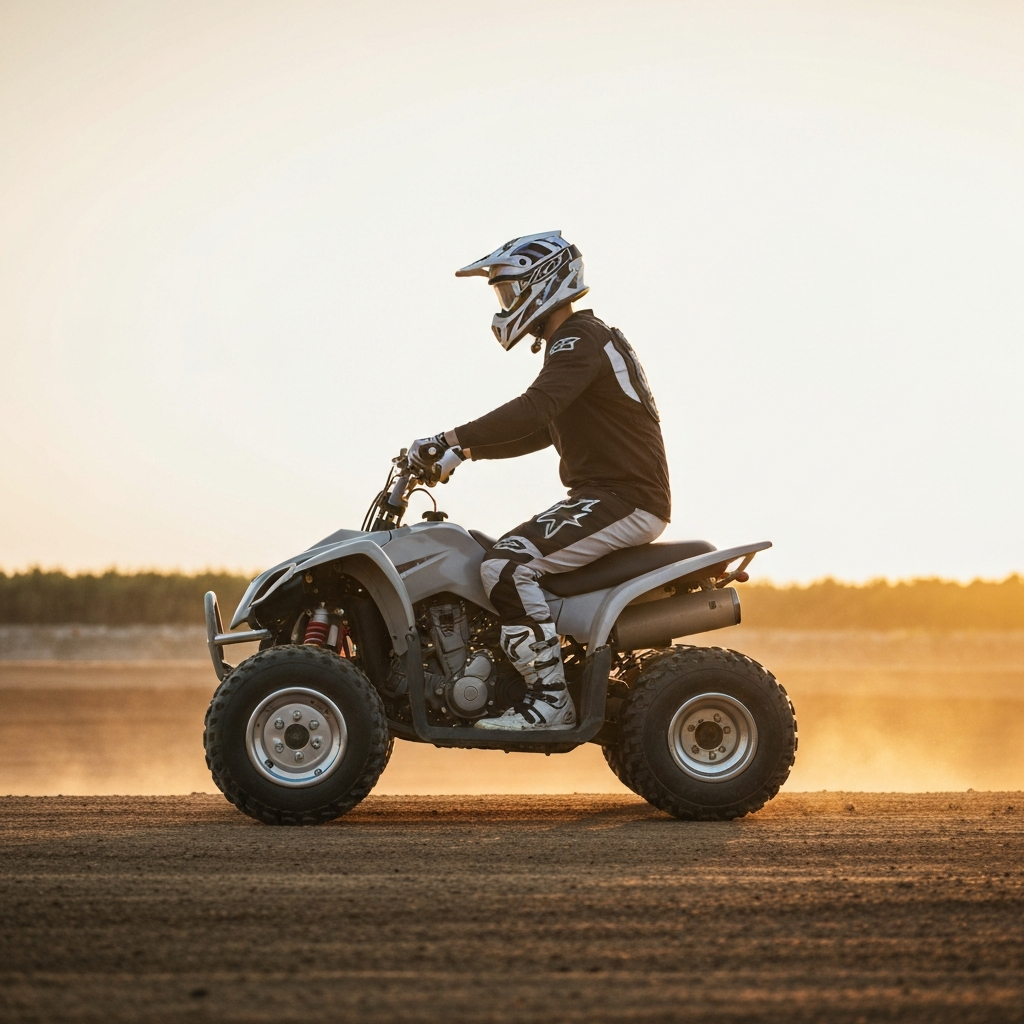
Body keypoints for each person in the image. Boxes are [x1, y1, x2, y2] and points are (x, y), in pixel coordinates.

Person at [407, 231, 671, 731]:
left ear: (543, 282)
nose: (504, 305)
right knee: (495, 558)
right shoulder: (579, 343)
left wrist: (447, 437)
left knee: (506, 566)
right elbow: (544, 428)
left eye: (508, 291)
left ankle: (550, 700)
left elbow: (534, 409)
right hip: (608, 496)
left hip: (623, 499)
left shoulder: (579, 338)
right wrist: (463, 451)